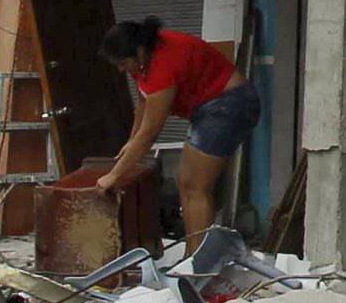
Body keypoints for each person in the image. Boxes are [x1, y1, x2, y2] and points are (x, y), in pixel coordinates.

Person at [97, 17, 257, 243]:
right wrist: (130, 142)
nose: (121, 69)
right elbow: (144, 103)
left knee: (196, 186)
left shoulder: (163, 65)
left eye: (123, 63)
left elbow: (151, 132)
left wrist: (114, 175)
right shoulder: (144, 57)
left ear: (138, 52)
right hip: (209, 107)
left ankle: (199, 263)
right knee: (186, 183)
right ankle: (192, 256)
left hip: (229, 105)